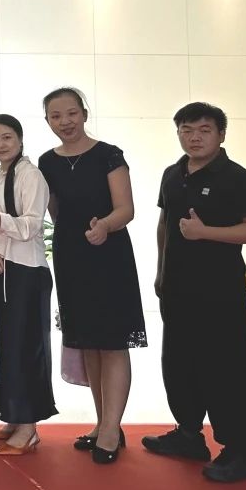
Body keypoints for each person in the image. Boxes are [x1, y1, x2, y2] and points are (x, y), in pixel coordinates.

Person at [144, 102, 246, 483]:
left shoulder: (237, 177)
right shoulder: (173, 174)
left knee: (225, 370)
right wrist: (160, 271)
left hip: (220, 293)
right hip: (176, 289)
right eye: (186, 130)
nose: (194, 137)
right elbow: (165, 223)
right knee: (179, 364)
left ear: (221, 135)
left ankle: (239, 453)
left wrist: (206, 233)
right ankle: (188, 435)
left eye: (203, 130)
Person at [39, 87, 146, 464]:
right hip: (71, 256)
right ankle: (103, 424)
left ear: (84, 113)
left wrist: (105, 226)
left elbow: (126, 208)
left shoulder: (108, 155)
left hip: (109, 254)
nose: (65, 122)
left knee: (113, 343)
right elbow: (54, 212)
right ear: (48, 121)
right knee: (88, 342)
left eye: (71, 113)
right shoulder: (47, 162)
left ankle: (113, 429)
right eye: (56, 116)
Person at [0, 114, 56, 455]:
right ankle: (11, 417)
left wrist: (1, 222)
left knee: (26, 348)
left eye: (6, 137)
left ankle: (28, 427)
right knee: (5, 347)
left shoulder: (30, 174)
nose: (0, 144)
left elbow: (33, 225)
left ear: (20, 139)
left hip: (25, 271)